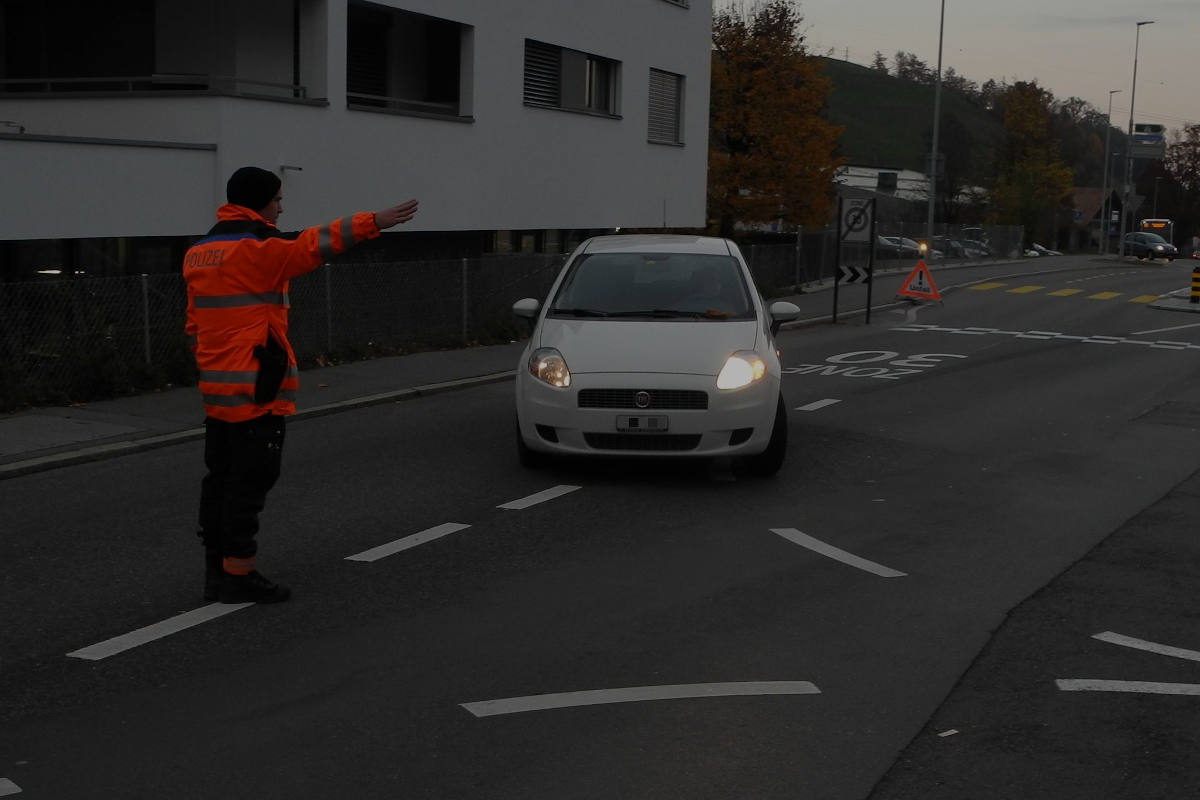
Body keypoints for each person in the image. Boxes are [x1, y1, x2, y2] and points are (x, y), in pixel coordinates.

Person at [184, 166, 419, 603]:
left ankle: (216, 571)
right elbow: (315, 243)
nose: (281, 207)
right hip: (256, 390)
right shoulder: (257, 248)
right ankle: (238, 576)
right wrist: (374, 222)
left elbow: (194, 326)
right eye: (276, 199)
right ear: (257, 201)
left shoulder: (199, 251)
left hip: (217, 391)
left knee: (220, 482)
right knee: (249, 486)